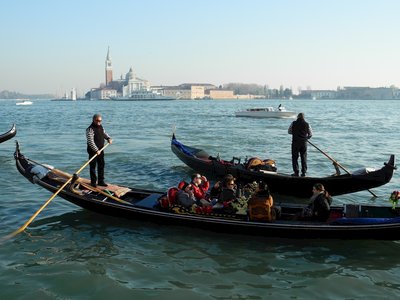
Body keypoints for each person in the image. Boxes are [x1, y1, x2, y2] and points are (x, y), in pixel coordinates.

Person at [86, 113, 112, 187]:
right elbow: (90, 141)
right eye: (97, 120)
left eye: (100, 121)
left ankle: (101, 181)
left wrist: (108, 138)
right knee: (93, 167)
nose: (98, 122)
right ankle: (93, 182)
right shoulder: (90, 129)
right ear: (93, 120)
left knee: (101, 165)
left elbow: (104, 133)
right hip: (92, 151)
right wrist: (96, 150)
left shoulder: (101, 127)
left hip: (101, 149)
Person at [288, 112, 312, 177]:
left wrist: (295, 133)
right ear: (304, 117)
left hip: (295, 142)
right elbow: (310, 134)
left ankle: (296, 172)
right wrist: (307, 138)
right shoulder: (307, 124)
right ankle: (303, 173)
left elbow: (289, 131)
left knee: (295, 157)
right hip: (304, 143)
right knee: (303, 157)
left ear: (298, 117)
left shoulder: (293, 123)